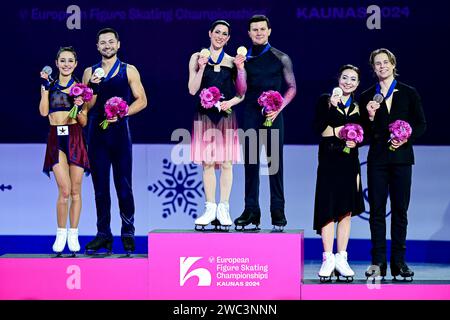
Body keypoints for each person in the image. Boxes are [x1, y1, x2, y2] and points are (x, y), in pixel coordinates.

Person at [360, 48, 426, 281]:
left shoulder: (408, 92)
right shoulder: (367, 96)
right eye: (377, 64)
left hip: (402, 160)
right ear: (373, 68)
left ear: (393, 64)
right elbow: (363, 134)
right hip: (377, 160)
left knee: (400, 211)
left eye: (385, 62)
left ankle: (399, 263)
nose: (382, 67)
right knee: (376, 212)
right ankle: (378, 262)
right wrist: (368, 117)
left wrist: (407, 136)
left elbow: (421, 124)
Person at [82, 28, 147, 255]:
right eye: (103, 43)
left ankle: (128, 233)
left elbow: (143, 100)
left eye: (111, 42)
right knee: (100, 189)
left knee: (124, 186)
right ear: (97, 46)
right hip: (96, 134)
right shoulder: (89, 72)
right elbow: (86, 107)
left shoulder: (129, 70)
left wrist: (123, 111)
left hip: (120, 134)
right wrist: (94, 88)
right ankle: (103, 235)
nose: (107, 45)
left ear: (118, 45)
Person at [234, 15, 296, 231]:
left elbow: (292, 87)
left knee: (274, 164)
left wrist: (279, 108)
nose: (259, 32)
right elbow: (241, 91)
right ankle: (251, 210)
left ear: (269, 30)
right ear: (249, 33)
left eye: (262, 29)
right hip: (250, 114)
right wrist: (240, 69)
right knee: (250, 164)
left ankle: (278, 211)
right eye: (254, 29)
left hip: (273, 116)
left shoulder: (281, 57)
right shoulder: (244, 58)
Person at [188, 20, 247, 231]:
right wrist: (201, 68)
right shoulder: (197, 57)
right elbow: (192, 90)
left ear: (228, 38)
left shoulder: (233, 61)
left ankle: (224, 208)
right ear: (210, 33)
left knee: (227, 164)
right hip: (204, 117)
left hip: (225, 117)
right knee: (208, 163)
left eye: (225, 34)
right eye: (217, 32)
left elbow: (241, 92)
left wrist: (230, 101)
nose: (220, 36)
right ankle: (210, 207)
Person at [313, 65, 365, 282]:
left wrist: (356, 139)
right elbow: (317, 128)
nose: (348, 82)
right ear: (338, 79)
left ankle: (342, 258)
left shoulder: (359, 106)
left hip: (350, 162)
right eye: (345, 77)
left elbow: (365, 133)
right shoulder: (326, 99)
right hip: (329, 160)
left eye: (353, 79)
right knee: (327, 208)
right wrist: (337, 126)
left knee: (346, 210)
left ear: (357, 84)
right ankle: (328, 258)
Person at [39, 46, 90, 256]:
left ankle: (74, 234)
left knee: (76, 191)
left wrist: (78, 105)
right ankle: (61, 233)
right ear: (57, 63)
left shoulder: (81, 89)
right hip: (55, 138)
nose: (66, 64)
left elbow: (84, 121)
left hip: (75, 137)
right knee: (65, 190)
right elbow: (43, 112)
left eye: (70, 60)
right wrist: (43, 89)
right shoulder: (49, 85)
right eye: (63, 60)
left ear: (75, 64)